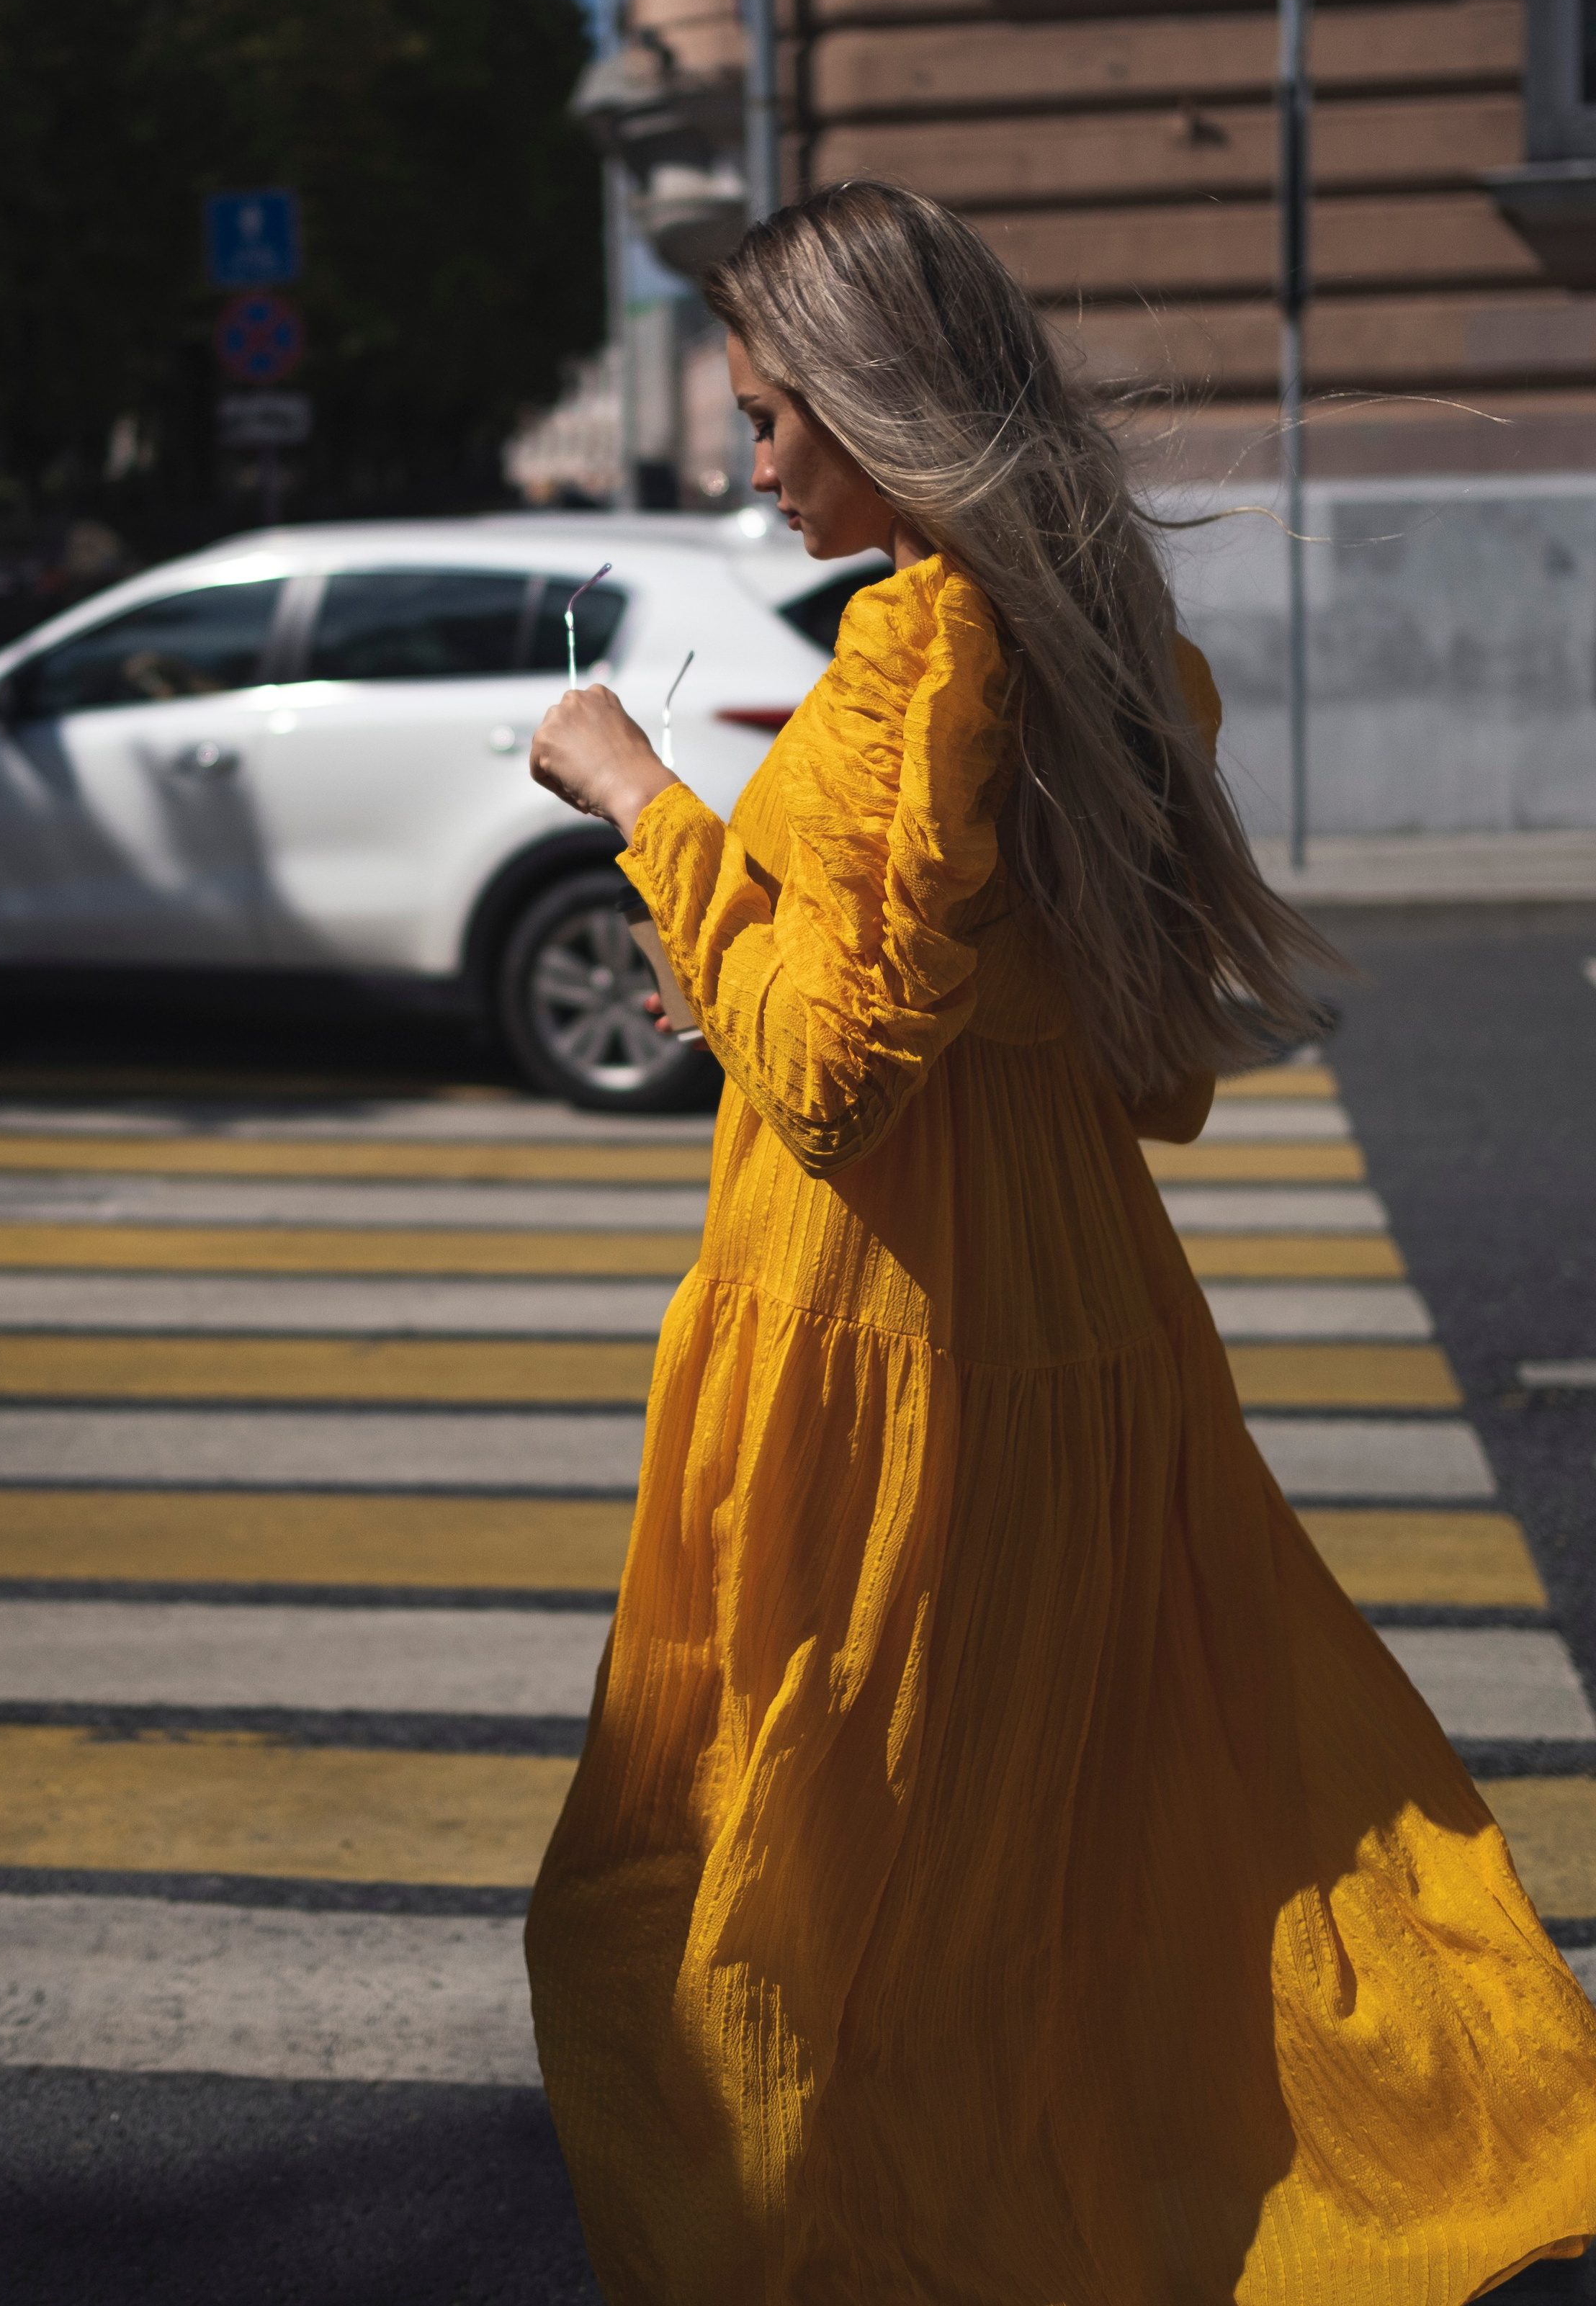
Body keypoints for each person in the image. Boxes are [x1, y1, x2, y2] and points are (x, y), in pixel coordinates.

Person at [524, 181, 1596, 2305]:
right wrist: (743, 937)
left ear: (873, 403)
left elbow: (832, 1080)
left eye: (769, 417)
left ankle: (894, 2255)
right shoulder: (1086, 632)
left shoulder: (926, 644)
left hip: (893, 1331)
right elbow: (1093, 1045)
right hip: (1077, 1314)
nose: (753, 461)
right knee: (1107, 1830)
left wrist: (634, 786)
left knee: (809, 1881)